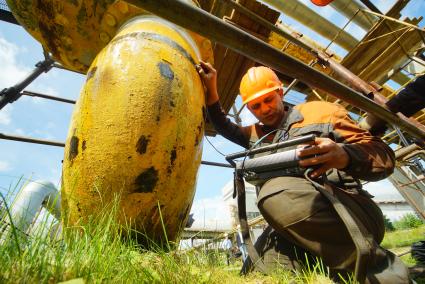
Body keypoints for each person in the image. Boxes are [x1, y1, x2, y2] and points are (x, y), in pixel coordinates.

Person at [197, 62, 410, 283]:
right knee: (256, 275)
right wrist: (211, 89)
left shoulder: (321, 112)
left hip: (349, 213)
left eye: (268, 99)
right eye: (255, 106)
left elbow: (382, 157)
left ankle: (380, 272)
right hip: (292, 225)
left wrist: (344, 155)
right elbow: (223, 125)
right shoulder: (255, 135)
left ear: (280, 92)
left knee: (275, 192)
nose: (264, 109)